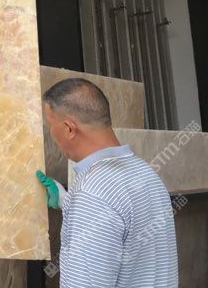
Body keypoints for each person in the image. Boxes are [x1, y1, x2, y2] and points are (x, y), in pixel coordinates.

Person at [37, 78, 177, 288]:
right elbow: (121, 222)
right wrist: (67, 201)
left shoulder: (92, 194)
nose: (50, 132)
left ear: (68, 129)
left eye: (50, 125)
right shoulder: (146, 174)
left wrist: (82, 204)